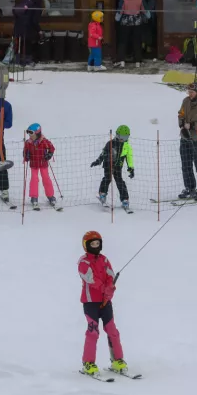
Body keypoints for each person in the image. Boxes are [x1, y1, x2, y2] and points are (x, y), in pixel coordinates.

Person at [78, 230, 128, 376]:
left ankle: (117, 360)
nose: (95, 246)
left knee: (112, 330)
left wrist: (110, 289)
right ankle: (88, 363)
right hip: (90, 302)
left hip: (105, 302)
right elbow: (89, 278)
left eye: (97, 243)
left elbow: (110, 276)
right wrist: (103, 289)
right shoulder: (83, 262)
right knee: (93, 332)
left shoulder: (104, 260)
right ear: (86, 246)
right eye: (92, 244)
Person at [91, 125, 133, 211]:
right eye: (121, 136)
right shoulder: (110, 143)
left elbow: (129, 158)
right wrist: (98, 161)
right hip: (108, 163)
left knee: (120, 181)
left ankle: (125, 200)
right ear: (117, 135)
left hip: (118, 165)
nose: (122, 139)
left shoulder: (127, 146)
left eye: (125, 137)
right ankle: (102, 194)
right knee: (107, 178)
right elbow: (103, 153)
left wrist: (131, 168)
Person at [114, 0, 150, 68]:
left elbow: (120, 9)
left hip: (125, 20)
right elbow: (144, 9)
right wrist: (148, 15)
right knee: (137, 41)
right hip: (137, 21)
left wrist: (117, 18)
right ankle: (138, 61)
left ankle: (121, 61)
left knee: (123, 41)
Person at [23, 123, 57, 209]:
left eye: (31, 133)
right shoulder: (28, 143)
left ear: (37, 133)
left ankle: (50, 195)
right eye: (29, 133)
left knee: (46, 178)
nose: (30, 135)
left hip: (43, 163)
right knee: (34, 179)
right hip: (34, 164)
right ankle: (34, 197)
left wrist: (49, 155)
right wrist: (25, 155)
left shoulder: (44, 141)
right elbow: (25, 151)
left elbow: (52, 148)